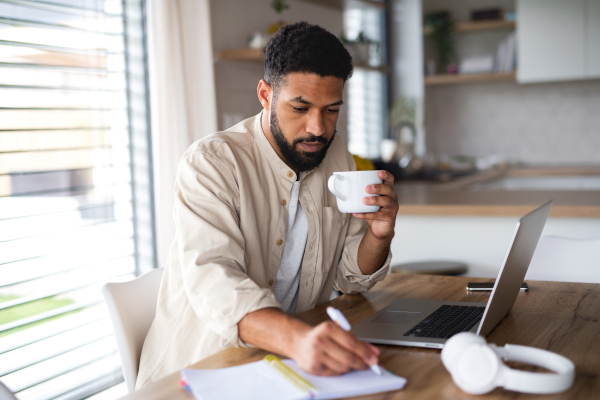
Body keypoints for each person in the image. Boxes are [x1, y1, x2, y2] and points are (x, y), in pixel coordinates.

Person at [136, 21, 399, 388]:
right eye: (300, 107)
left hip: (288, 363)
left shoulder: (336, 157)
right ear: (265, 94)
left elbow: (350, 278)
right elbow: (215, 280)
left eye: (331, 110)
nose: (318, 128)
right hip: (200, 370)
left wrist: (380, 234)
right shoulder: (212, 162)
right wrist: (297, 339)